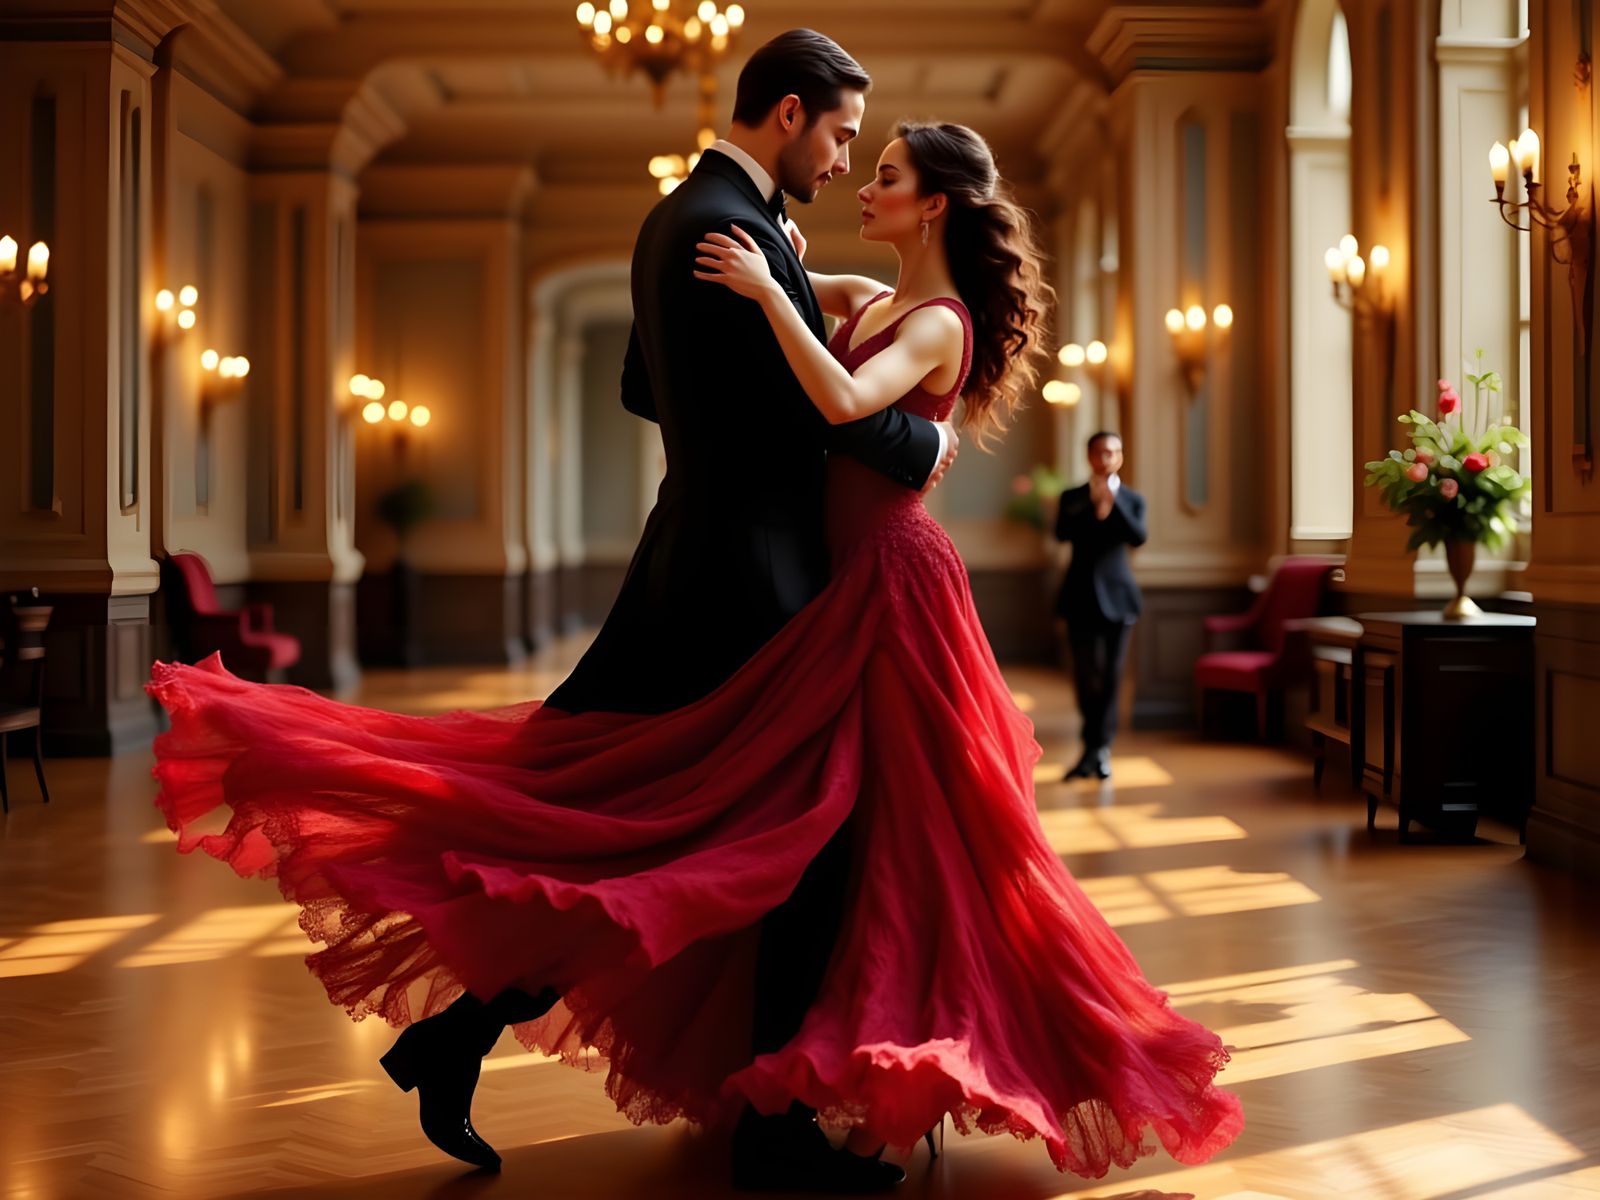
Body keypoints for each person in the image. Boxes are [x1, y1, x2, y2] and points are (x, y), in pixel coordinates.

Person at [144, 105, 1244, 1195]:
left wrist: (782, 299)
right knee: (764, 842)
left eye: (891, 173)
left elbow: (844, 399)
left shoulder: (940, 322)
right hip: (829, 592)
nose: (865, 181)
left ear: (937, 205)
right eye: (863, 156)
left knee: (885, 851)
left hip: (894, 594)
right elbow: (712, 346)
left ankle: (863, 1085)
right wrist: (783, 278)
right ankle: (782, 1095)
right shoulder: (870, 295)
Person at [1053, 432, 1146, 781]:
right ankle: (1094, 747)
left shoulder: (1133, 500)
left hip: (1120, 598)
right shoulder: (1072, 497)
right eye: (1100, 452)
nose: (1106, 458)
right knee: (1085, 676)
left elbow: (1138, 536)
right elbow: (1061, 533)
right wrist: (1094, 507)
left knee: (1111, 676)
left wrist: (1113, 504)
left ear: (1120, 457)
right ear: (1089, 456)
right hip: (1078, 595)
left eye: (1113, 452)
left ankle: (1097, 748)